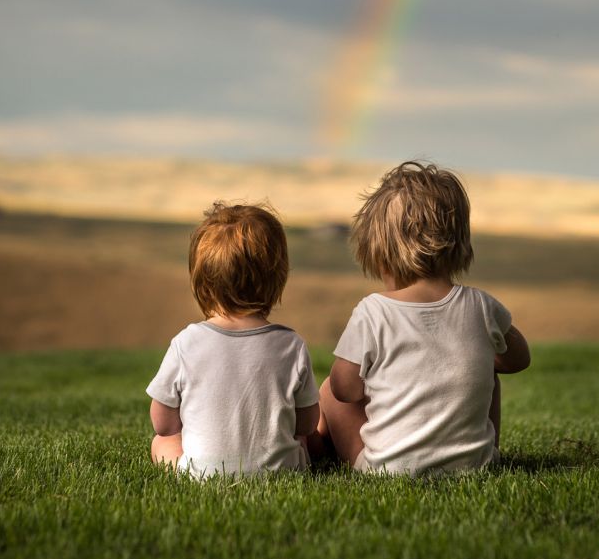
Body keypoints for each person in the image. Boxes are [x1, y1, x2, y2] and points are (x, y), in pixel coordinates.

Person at [315, 161, 530, 475]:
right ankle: (480, 454)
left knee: (327, 391)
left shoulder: (373, 312)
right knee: (491, 375)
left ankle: (334, 456)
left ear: (383, 255)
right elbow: (518, 359)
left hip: (390, 471)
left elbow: (345, 390)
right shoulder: (482, 306)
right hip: (476, 468)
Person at [146, 201, 319, 478]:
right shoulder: (292, 345)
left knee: (162, 443)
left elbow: (163, 424)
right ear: (278, 279)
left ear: (202, 281)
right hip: (283, 474)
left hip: (204, 476)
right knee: (301, 441)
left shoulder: (186, 343)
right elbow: (308, 424)